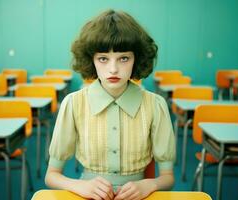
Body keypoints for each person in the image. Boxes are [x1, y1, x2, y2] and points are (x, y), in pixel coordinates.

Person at [45, 9, 175, 200]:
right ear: (92, 60)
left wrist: (150, 184)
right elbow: (51, 176)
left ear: (136, 59)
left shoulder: (155, 105)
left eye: (123, 58)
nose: (113, 69)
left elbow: (168, 178)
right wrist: (79, 186)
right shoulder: (73, 103)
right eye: (103, 59)